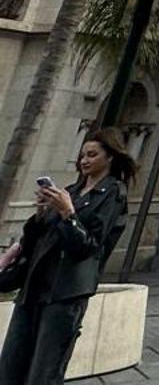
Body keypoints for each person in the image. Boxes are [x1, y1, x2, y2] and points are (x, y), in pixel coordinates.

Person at [0, 127, 135, 385]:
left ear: (110, 157)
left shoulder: (113, 194)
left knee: (44, 372)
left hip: (65, 293)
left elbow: (88, 247)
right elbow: (35, 240)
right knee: (10, 367)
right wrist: (41, 213)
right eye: (82, 154)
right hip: (34, 287)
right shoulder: (70, 191)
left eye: (92, 154)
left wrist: (69, 215)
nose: (84, 160)